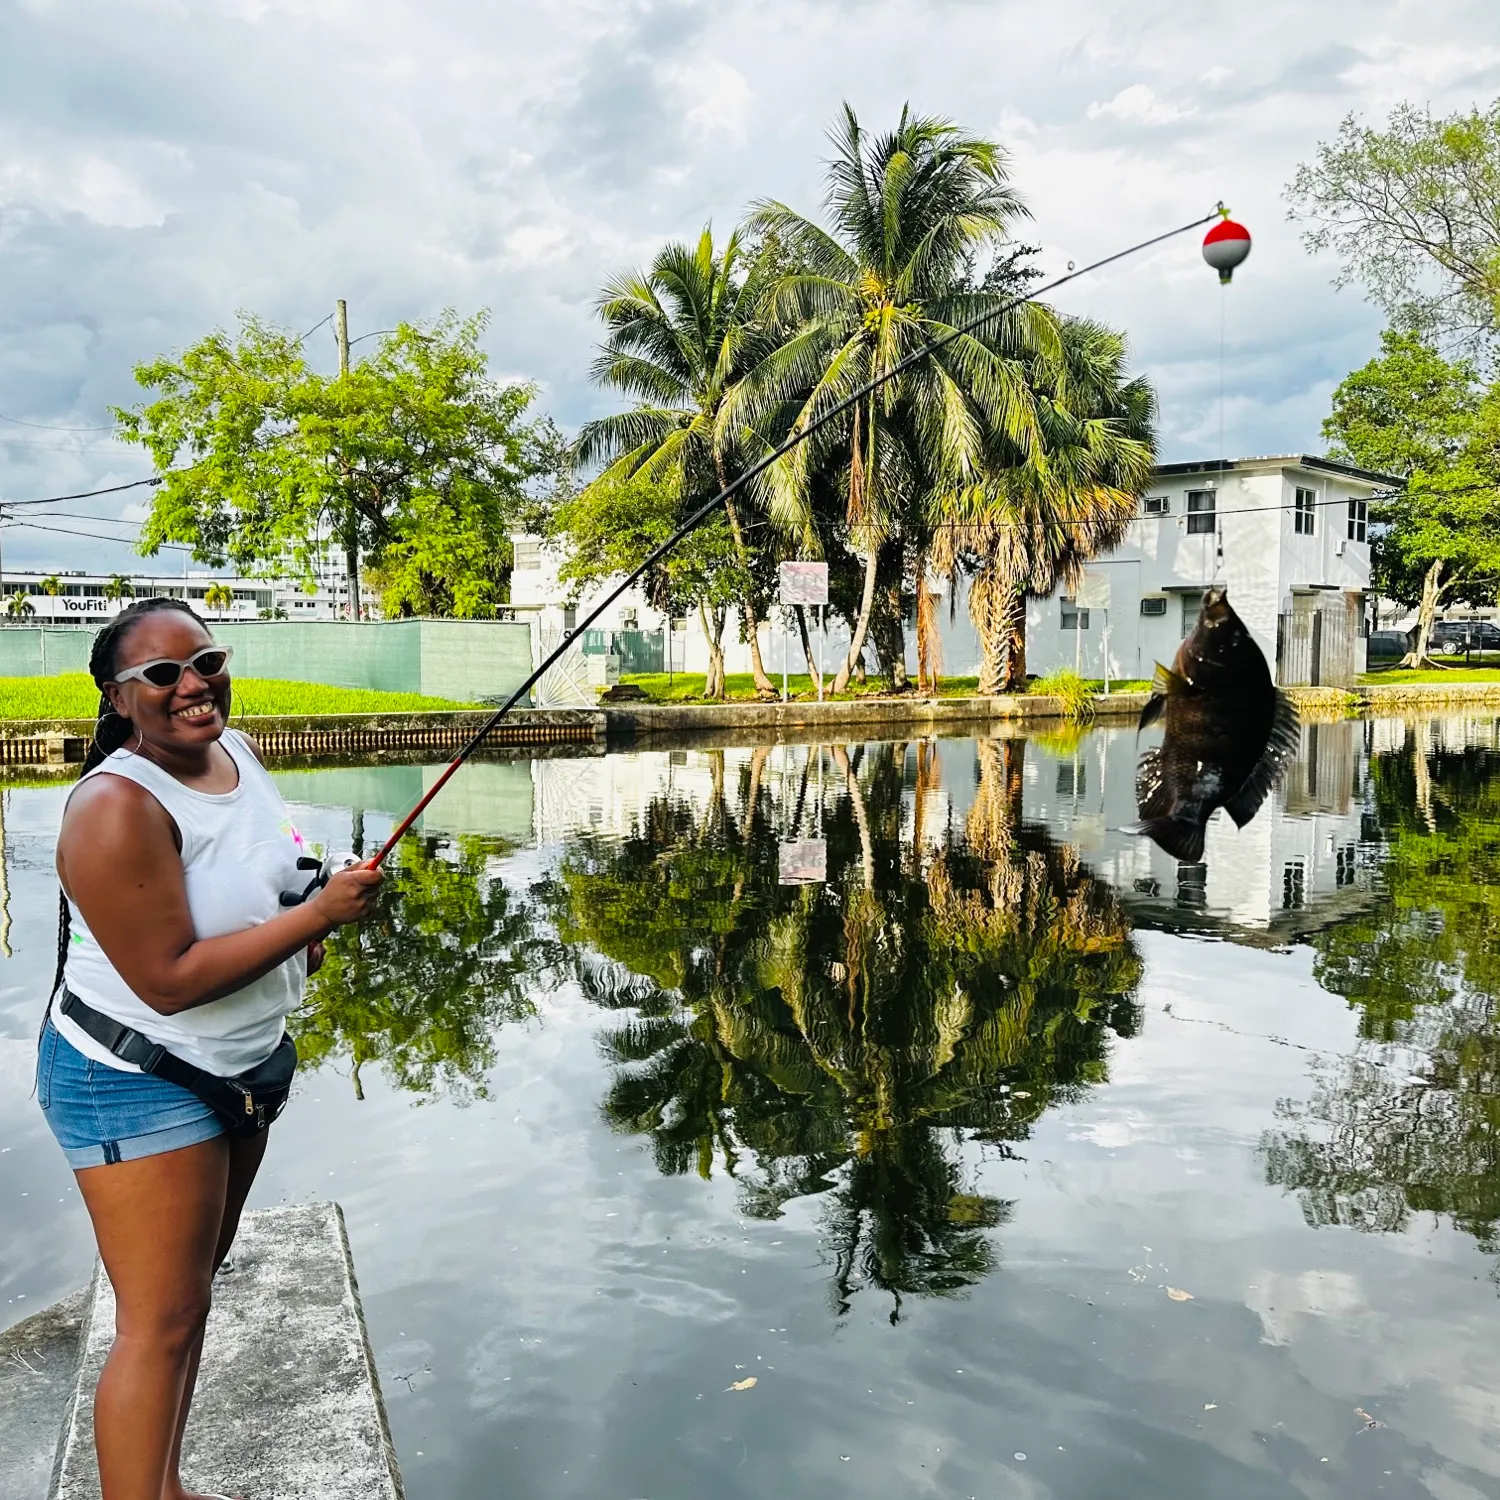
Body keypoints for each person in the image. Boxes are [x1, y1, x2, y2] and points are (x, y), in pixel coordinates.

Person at [36, 597, 382, 1500]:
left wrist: (311, 895)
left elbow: (282, 852)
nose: (193, 686)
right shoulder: (114, 806)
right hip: (134, 1076)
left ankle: (165, 1485)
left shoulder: (238, 754)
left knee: (192, 1301)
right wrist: (311, 917)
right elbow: (168, 979)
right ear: (119, 698)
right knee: (158, 1319)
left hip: (241, 1065)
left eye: (207, 661)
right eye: (162, 675)